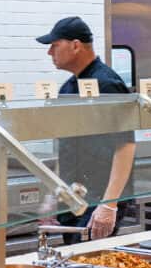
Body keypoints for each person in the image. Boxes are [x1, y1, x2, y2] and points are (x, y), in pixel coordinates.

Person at [36, 16, 135, 240]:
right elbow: (68, 145)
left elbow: (125, 144)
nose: (50, 52)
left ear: (75, 45)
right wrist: (55, 194)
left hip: (99, 199)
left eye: (54, 45)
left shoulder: (108, 83)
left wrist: (109, 204)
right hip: (73, 199)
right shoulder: (68, 88)